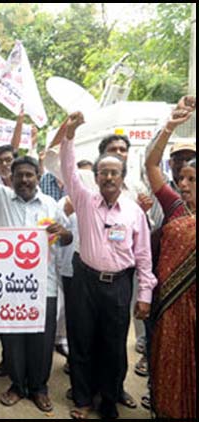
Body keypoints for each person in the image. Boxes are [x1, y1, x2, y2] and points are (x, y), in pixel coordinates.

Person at [60, 112, 157, 419]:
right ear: (97, 176)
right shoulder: (85, 200)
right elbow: (67, 168)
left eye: (115, 172)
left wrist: (144, 294)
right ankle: (83, 399)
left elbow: (143, 256)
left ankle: (109, 401)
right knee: (82, 342)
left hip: (118, 285)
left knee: (114, 346)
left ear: (122, 176)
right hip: (85, 283)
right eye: (103, 172)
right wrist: (70, 134)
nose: (109, 177)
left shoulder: (133, 211)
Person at [0, 121, 72, 413]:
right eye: (19, 175)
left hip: (44, 285)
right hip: (10, 287)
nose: (25, 180)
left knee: (42, 341)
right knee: (13, 338)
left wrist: (61, 232)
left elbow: (67, 239)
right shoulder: (2, 197)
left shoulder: (52, 205)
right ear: (11, 178)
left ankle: (39, 388)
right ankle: (17, 385)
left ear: (38, 176)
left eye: (30, 175)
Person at [144, 97, 196, 419]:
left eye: (192, 179)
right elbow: (151, 166)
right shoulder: (175, 208)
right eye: (182, 179)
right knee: (168, 370)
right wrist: (169, 127)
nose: (184, 183)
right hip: (170, 309)